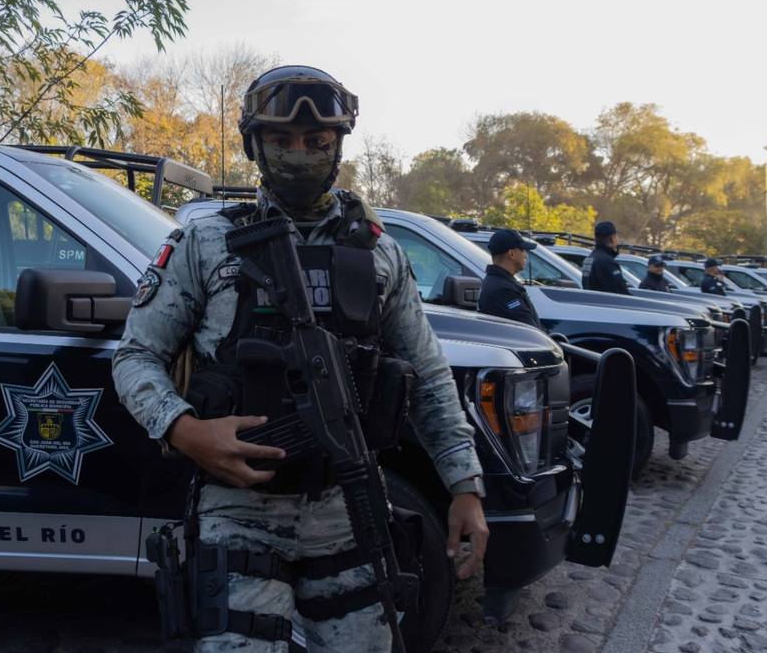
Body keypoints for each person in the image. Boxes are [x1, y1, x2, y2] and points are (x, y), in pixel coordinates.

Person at [112, 65, 488, 653]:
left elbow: (430, 377)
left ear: (338, 146)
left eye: (317, 141)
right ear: (254, 146)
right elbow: (136, 357)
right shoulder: (205, 243)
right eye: (281, 140)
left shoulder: (381, 254)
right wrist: (185, 431)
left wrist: (465, 484)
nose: (299, 155)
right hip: (237, 510)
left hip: (347, 506)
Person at [477, 228, 541, 328]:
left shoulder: (498, 281)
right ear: (511, 254)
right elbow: (529, 328)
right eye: (522, 250)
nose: (526, 255)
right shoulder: (503, 290)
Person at [582, 221, 629, 294]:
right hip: (605, 301)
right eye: (616, 236)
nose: (617, 239)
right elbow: (621, 292)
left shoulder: (589, 258)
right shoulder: (606, 262)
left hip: (591, 300)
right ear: (612, 238)